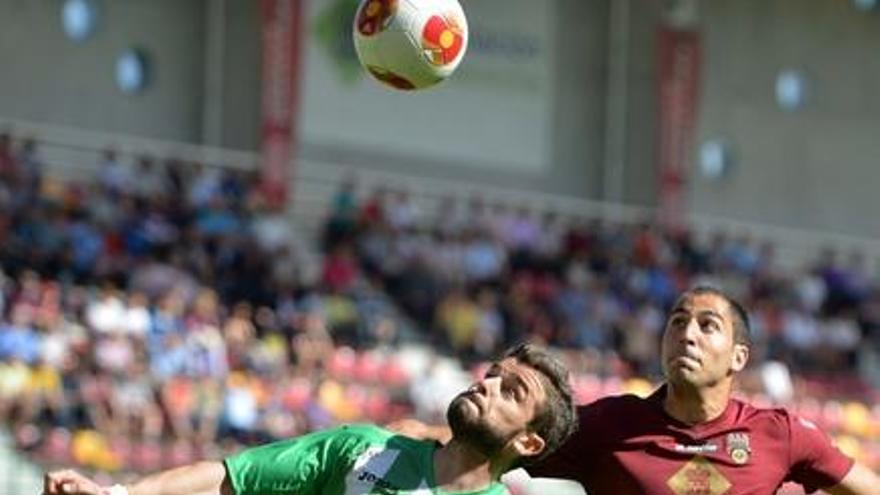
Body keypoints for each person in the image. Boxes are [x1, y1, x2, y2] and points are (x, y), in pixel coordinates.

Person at [391, 287, 880, 494]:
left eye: (708, 325)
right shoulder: (608, 426)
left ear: (738, 357)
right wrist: (387, 438)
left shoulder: (782, 435)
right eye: (677, 321)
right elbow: (483, 446)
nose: (686, 334)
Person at [43, 343, 577, 495]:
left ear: (529, 443)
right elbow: (232, 479)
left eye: (510, 390)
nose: (485, 384)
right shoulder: (366, 448)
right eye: (491, 373)